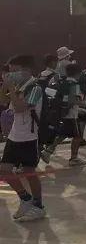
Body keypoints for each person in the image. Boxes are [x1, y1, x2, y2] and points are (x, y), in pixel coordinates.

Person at [2, 55, 46, 221]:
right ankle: (25, 199)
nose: (11, 75)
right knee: (4, 170)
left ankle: (38, 206)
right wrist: (5, 86)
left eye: (14, 71)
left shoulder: (35, 88)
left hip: (29, 136)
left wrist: (11, 88)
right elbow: (3, 101)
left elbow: (20, 108)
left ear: (26, 70)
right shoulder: (20, 86)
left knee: (29, 172)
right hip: (14, 135)